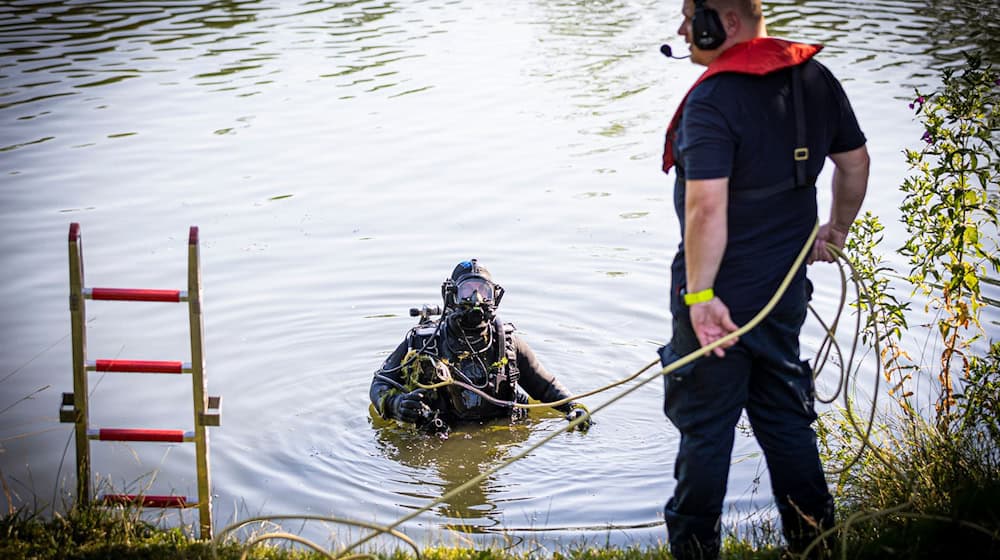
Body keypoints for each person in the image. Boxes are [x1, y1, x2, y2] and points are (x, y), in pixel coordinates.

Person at [657, 0, 870, 558]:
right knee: (784, 418)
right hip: (783, 292)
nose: (681, 29)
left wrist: (701, 297)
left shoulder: (711, 100)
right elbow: (855, 163)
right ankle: (816, 546)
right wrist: (836, 230)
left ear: (724, 22)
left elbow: (705, 208)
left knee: (705, 430)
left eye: (689, 16)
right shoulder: (815, 79)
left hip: (717, 300)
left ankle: (696, 553)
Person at [370, 259, 591, 434]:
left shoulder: (507, 343)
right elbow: (379, 384)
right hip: (440, 432)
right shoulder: (423, 342)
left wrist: (573, 408)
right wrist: (396, 405)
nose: (476, 299)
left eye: (483, 291)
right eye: (467, 291)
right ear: (452, 296)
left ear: (494, 296)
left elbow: (545, 386)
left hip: (501, 430)